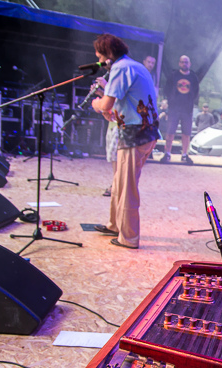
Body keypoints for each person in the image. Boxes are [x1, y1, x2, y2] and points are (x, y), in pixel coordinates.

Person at [91, 33, 160, 250]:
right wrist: (110, 110)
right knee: (120, 183)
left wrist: (96, 103)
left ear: (109, 54)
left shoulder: (120, 68)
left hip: (134, 135)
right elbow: (128, 102)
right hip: (145, 132)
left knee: (127, 188)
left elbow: (105, 104)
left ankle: (129, 237)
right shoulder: (136, 66)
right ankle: (114, 225)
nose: (99, 61)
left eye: (100, 57)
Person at [161, 55, 199, 164]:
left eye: (186, 62)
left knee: (186, 133)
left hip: (187, 109)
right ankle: (167, 153)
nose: (184, 64)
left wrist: (190, 101)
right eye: (182, 62)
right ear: (179, 63)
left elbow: (196, 91)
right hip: (174, 109)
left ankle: (184, 155)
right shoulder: (174, 75)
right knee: (170, 132)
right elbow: (167, 89)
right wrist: (170, 101)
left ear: (189, 64)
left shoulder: (193, 77)